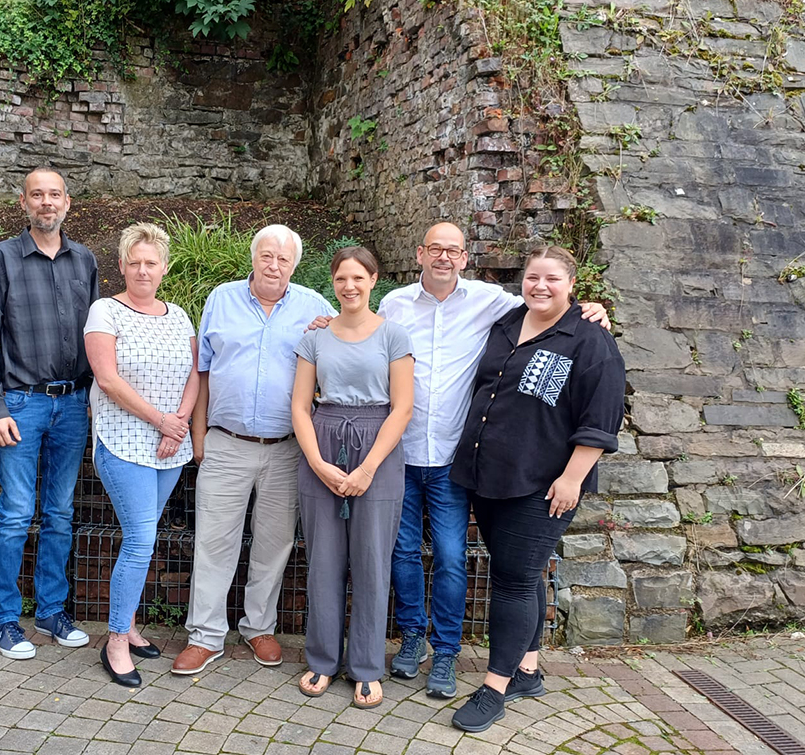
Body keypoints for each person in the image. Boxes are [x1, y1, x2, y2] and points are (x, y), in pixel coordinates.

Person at [379, 223, 610, 699]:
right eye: (435, 249)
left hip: (454, 460)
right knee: (402, 553)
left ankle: (450, 653)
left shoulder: (495, 304)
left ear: (466, 258)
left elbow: (556, 311)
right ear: (420, 253)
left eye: (454, 251)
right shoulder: (397, 305)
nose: (444, 258)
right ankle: (416, 639)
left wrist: (595, 310)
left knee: (451, 557)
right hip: (405, 455)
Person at [448, 245, 625, 733]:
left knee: (513, 581)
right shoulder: (506, 323)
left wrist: (572, 478)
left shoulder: (590, 342)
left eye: (552, 279)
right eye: (532, 277)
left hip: (544, 486)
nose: (540, 287)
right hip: (489, 477)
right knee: (521, 575)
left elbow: (600, 420)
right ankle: (527, 669)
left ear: (572, 284)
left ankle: (494, 687)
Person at [172, 225, 336, 676]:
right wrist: (199, 437)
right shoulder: (221, 299)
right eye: (267, 256)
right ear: (253, 256)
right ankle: (205, 636)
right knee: (213, 542)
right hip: (226, 442)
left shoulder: (314, 307)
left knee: (275, 542)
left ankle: (258, 626)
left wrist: (331, 333)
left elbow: (343, 355)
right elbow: (202, 371)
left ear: (295, 265)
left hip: (287, 449)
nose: (274, 266)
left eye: (283, 260)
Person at [0, 167, 98, 659]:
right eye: (37, 195)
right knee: (16, 513)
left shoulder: (84, 259)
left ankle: (51, 610)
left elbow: (95, 334)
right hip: (20, 405)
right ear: (23, 203)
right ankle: (3, 619)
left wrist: (92, 396)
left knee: (61, 512)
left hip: (72, 404)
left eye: (55, 195)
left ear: (68, 202)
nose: (47, 203)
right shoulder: (0, 258)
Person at [291, 246, 414, 710]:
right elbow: (300, 406)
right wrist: (319, 463)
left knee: (371, 560)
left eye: (358, 278)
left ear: (374, 280)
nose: (349, 286)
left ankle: (365, 668)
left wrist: (367, 468)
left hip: (377, 444)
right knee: (322, 560)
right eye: (342, 278)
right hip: (323, 438)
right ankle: (322, 661)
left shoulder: (393, 336)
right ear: (333, 282)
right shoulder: (315, 338)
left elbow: (403, 407)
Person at [85, 222, 199, 686]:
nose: (142, 270)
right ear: (121, 266)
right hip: (122, 443)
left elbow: (197, 373)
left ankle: (129, 626)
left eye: (151, 262)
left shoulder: (180, 316)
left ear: (164, 267)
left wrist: (180, 423)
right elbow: (108, 380)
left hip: (170, 446)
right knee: (139, 540)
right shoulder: (104, 312)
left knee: (144, 537)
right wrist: (162, 421)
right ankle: (114, 640)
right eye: (134, 262)